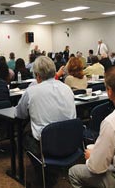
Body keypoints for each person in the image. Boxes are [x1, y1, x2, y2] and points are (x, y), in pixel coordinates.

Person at [16, 56, 76, 186]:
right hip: (70, 140)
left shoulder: (31, 91)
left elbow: (19, 114)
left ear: (37, 75)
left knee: (23, 135)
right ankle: (50, 170)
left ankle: (44, 173)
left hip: (46, 143)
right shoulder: (66, 88)